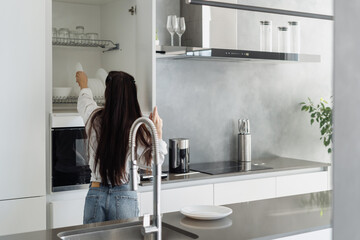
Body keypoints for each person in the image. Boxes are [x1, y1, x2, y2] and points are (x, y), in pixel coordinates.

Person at [76, 70, 167, 224]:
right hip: (125, 195)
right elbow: (154, 162)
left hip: (95, 193)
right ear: (132, 97)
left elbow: (85, 101)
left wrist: (84, 84)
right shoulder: (137, 128)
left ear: (107, 94)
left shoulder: (94, 118)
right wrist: (157, 133)